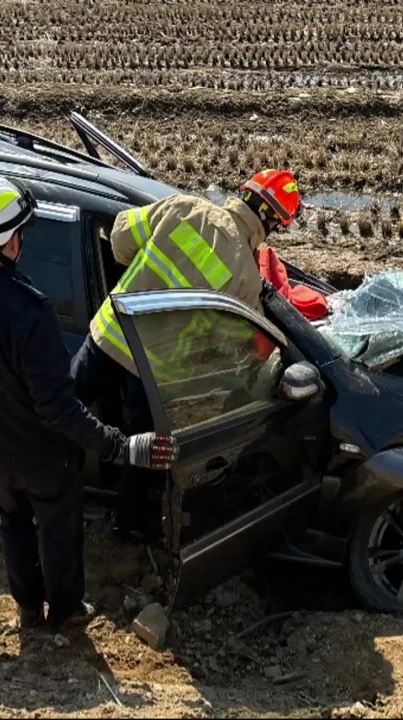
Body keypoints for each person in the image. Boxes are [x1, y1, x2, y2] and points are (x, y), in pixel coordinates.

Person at [0, 173, 179, 634]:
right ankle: (67, 612)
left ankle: (29, 612)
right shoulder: (28, 309)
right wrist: (121, 446)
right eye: (21, 232)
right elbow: (58, 408)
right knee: (58, 529)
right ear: (9, 242)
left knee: (11, 521)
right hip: (42, 456)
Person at [72, 169, 302, 538]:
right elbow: (235, 344)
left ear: (244, 192)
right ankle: (127, 524)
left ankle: (40, 493)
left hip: (107, 334)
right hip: (151, 369)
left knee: (62, 414)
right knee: (143, 448)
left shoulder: (183, 207)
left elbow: (118, 238)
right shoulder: (245, 273)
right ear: (272, 222)